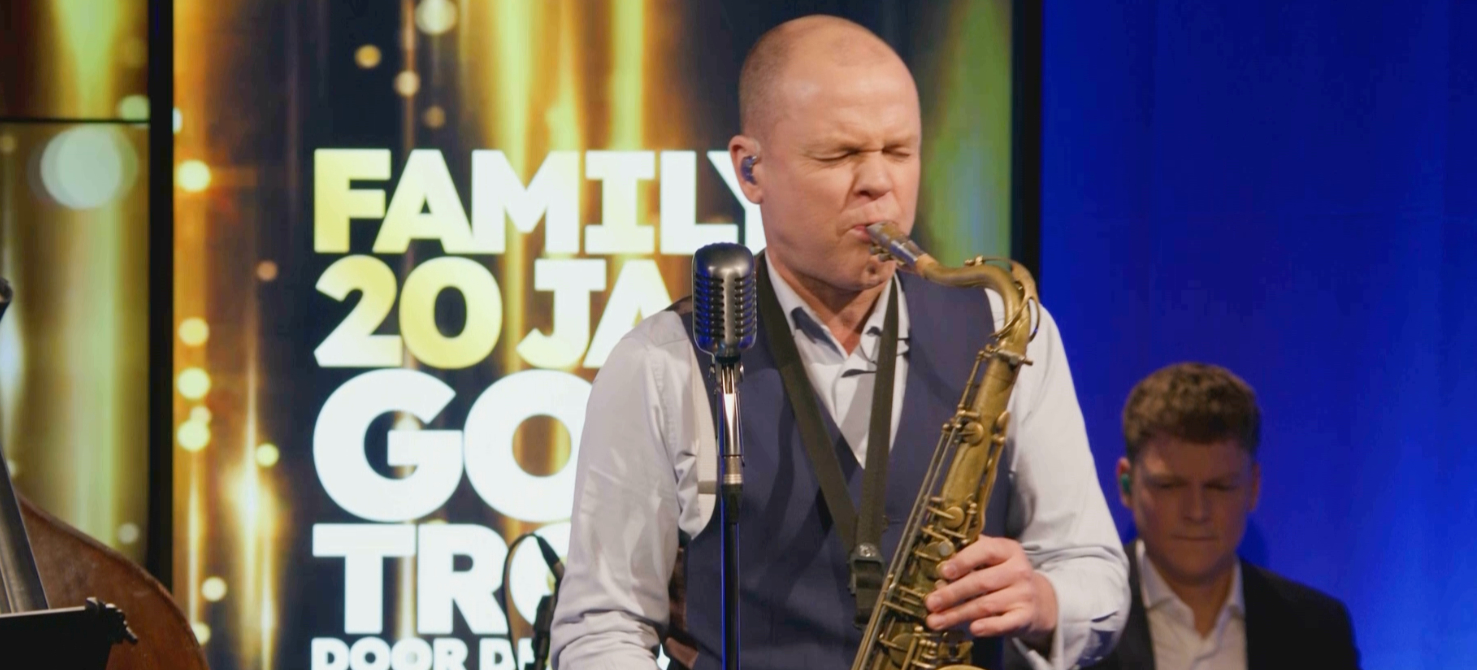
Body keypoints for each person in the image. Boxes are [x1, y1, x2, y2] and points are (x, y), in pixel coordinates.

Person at [551, 15, 1127, 670]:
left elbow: (1095, 572)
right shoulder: (660, 361)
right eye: (840, 155)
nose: (879, 183)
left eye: (899, 151)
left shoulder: (1006, 327)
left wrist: (1047, 599)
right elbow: (601, 627)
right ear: (750, 169)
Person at [1087, 363, 1359, 670]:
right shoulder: (1078, 622)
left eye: (1220, 487)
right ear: (1126, 483)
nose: (1196, 512)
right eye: (1169, 486)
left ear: (1253, 487)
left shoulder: (1319, 631)